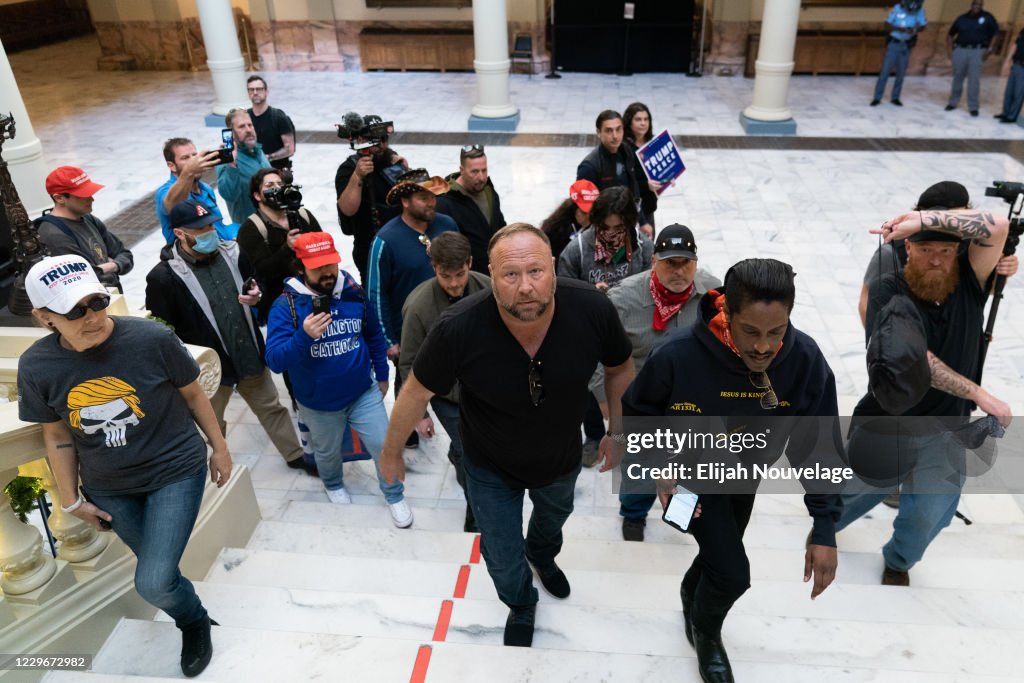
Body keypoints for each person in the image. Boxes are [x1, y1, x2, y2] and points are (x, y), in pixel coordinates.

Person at [379, 223, 635, 648]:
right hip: (488, 464)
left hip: (559, 458)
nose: (525, 288)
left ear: (553, 269)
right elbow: (416, 389)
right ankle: (520, 601)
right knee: (498, 554)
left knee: (552, 525)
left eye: (535, 272)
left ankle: (541, 555)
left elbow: (620, 367)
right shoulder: (458, 326)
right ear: (490, 276)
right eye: (510, 276)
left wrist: (618, 431)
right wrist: (391, 453)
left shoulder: (592, 309)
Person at [623, 258, 841, 683]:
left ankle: (691, 592)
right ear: (727, 312)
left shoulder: (804, 361)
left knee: (718, 556)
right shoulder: (678, 356)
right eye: (751, 332)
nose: (763, 347)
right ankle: (706, 632)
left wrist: (825, 525)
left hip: (745, 477)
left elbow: (820, 448)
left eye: (776, 332)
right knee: (732, 574)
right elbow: (637, 411)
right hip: (689, 480)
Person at [18, 254, 232, 678]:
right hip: (110, 487)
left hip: (175, 470)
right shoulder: (37, 366)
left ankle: (192, 622)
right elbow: (58, 435)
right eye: (74, 311)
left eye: (96, 302)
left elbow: (193, 394)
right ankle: (191, 612)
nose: (92, 317)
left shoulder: (151, 339)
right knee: (161, 573)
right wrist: (70, 499)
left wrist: (219, 448)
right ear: (44, 317)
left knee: (152, 581)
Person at [837, 207, 1011, 586]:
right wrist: (979, 394)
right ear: (908, 250)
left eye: (946, 252)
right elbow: (915, 358)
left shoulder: (970, 282)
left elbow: (999, 225)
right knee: (840, 503)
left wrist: (920, 220)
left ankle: (898, 561)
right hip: (886, 424)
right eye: (926, 248)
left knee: (928, 514)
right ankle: (823, 531)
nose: (937, 259)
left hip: (946, 428)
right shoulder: (889, 290)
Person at [145, 199, 313, 476]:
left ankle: (295, 455)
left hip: (247, 353)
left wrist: (256, 297)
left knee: (271, 408)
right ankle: (212, 468)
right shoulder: (164, 277)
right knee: (210, 421)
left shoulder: (234, 253)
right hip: (207, 369)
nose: (210, 231)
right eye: (201, 228)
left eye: (210, 224)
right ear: (179, 233)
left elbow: (256, 284)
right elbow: (164, 331)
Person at [264, 232, 413, 526]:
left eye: (330, 264)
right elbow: (275, 360)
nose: (327, 273)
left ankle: (394, 494)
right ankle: (333, 485)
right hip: (317, 403)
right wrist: (304, 336)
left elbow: (372, 334)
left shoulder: (353, 292)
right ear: (301, 267)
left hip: (362, 393)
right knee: (327, 453)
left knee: (384, 445)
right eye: (317, 267)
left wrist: (382, 375)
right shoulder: (286, 307)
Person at [594, 224, 721, 542]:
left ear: (695, 262)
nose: (679, 272)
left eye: (686, 263)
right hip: (643, 406)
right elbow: (598, 357)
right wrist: (607, 403)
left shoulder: (713, 295)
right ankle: (634, 514)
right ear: (654, 261)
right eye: (670, 263)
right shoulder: (623, 300)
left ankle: (680, 514)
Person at [398, 232, 491, 532]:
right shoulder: (418, 307)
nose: (453, 283)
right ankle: (478, 513)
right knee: (471, 455)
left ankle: (457, 454)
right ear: (433, 267)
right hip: (447, 397)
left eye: (460, 274)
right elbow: (409, 363)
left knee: (482, 444)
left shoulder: (489, 289)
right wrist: (419, 414)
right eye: (445, 275)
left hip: (485, 390)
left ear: (470, 263)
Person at [367, 169, 457, 450]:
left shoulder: (447, 224)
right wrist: (387, 339)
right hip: (408, 331)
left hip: (449, 325)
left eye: (433, 196)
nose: (431, 202)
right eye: (423, 197)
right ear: (405, 201)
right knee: (408, 382)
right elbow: (375, 291)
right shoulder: (385, 240)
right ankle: (408, 424)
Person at [236, 167, 323, 324]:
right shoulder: (250, 228)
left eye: (279, 183)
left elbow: (325, 250)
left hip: (316, 296)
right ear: (257, 195)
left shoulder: (303, 215)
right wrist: (286, 249)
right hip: (282, 308)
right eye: (269, 186)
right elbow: (260, 273)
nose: (277, 188)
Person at [335, 114, 409, 282]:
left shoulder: (392, 160)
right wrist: (358, 176)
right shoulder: (348, 169)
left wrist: (404, 169)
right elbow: (347, 209)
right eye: (376, 140)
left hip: (400, 242)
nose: (382, 145)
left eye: (385, 139)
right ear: (362, 141)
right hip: (370, 247)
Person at [36, 166, 133, 292]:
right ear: (59, 198)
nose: (92, 199)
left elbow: (125, 255)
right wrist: (109, 267)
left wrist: (112, 265)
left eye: (90, 193)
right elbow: (87, 279)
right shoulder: (54, 235)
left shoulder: (88, 218)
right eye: (82, 195)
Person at [576, 110, 658, 237]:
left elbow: (633, 188)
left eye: (618, 129)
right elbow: (583, 210)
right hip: (603, 232)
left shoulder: (626, 151)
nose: (615, 136)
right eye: (609, 131)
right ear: (598, 132)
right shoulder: (589, 166)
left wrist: (642, 221)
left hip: (626, 225)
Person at [557, 186, 654, 292]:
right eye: (604, 227)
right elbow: (566, 294)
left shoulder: (643, 247)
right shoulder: (576, 251)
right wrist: (590, 294)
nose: (610, 233)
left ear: (629, 223)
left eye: (618, 227)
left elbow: (650, 291)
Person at [434, 144, 506, 275]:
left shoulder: (489, 190)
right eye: (474, 171)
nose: (481, 177)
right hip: (469, 276)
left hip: (496, 270)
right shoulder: (445, 203)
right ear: (462, 170)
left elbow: (500, 225)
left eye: (484, 170)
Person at [156, 137, 233, 243]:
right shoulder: (165, 191)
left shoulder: (206, 188)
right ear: (172, 166)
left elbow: (217, 226)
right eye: (185, 158)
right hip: (192, 257)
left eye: (194, 155)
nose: (193, 161)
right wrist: (189, 172)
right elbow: (172, 205)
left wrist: (231, 239)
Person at [944, 0, 999, 117]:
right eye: (975, 4)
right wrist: (949, 50)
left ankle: (973, 106)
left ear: (982, 5)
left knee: (974, 80)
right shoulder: (962, 18)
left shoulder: (988, 17)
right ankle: (953, 102)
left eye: (980, 4)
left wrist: (989, 50)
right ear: (971, 5)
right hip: (960, 50)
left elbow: (995, 34)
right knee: (957, 78)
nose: (977, 6)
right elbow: (950, 34)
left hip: (977, 51)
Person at [216, 108, 271, 223]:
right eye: (241, 127)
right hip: (251, 228)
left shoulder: (257, 150)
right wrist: (231, 164)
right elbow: (229, 195)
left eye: (250, 125)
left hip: (272, 221)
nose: (248, 130)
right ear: (231, 133)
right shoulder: (227, 160)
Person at [869, 0, 927, 107]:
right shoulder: (898, 8)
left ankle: (895, 97)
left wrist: (915, 29)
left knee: (901, 73)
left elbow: (923, 25)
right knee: (885, 72)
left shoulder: (919, 10)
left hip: (906, 46)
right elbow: (886, 24)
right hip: (894, 44)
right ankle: (877, 98)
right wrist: (899, 29)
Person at [246, 75, 296, 172]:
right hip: (253, 172)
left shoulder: (278, 117)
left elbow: (290, 149)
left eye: (259, 89)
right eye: (251, 90)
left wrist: (267, 157)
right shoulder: (245, 118)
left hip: (277, 171)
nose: (255, 92)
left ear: (266, 92)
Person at [540, 179, 598, 261]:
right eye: (584, 212)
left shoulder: (601, 227)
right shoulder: (554, 231)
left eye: (593, 213)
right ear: (573, 209)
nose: (589, 218)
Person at [995, 29, 1024, 123]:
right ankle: (1005, 113)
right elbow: (1015, 45)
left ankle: (1012, 117)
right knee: (1009, 91)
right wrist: (1007, 60)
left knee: (1018, 93)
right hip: (1016, 64)